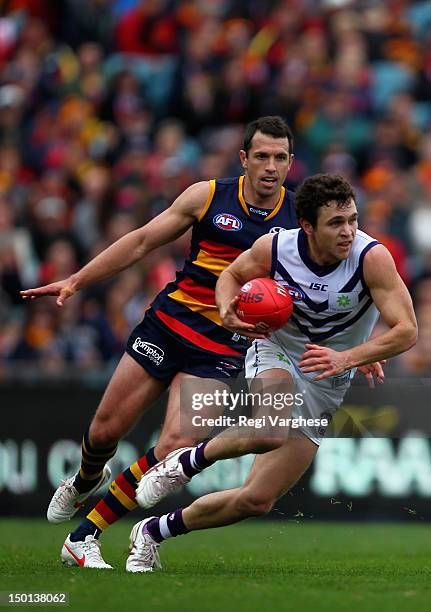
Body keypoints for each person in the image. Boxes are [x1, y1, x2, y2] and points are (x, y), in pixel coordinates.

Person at [21, 116, 300, 569]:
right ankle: (87, 476)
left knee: (175, 444)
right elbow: (141, 241)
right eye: (262, 156)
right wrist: (76, 280)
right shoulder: (207, 195)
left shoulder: (297, 219)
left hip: (225, 347)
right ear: (244, 159)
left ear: (290, 163)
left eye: (280, 157)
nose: (271, 166)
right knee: (105, 432)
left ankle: (84, 535)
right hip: (169, 325)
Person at [128, 173, 418, 572]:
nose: (349, 230)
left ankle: (152, 532)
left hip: (327, 378)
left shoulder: (372, 258)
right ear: (308, 226)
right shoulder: (277, 246)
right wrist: (228, 309)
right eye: (336, 223)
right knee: (268, 429)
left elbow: (407, 330)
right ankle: (186, 463)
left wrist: (349, 357)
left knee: (256, 500)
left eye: (352, 219)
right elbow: (230, 275)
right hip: (276, 350)